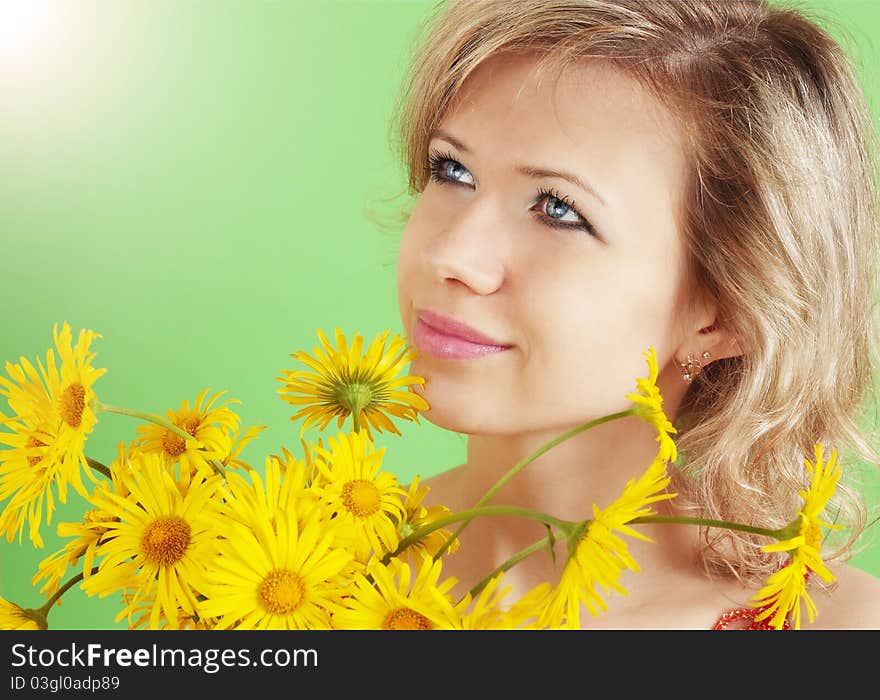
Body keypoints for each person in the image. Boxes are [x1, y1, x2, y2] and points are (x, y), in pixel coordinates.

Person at [389, 0, 880, 629]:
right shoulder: (300, 556)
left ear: (723, 314)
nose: (451, 255)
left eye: (559, 210)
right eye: (451, 169)